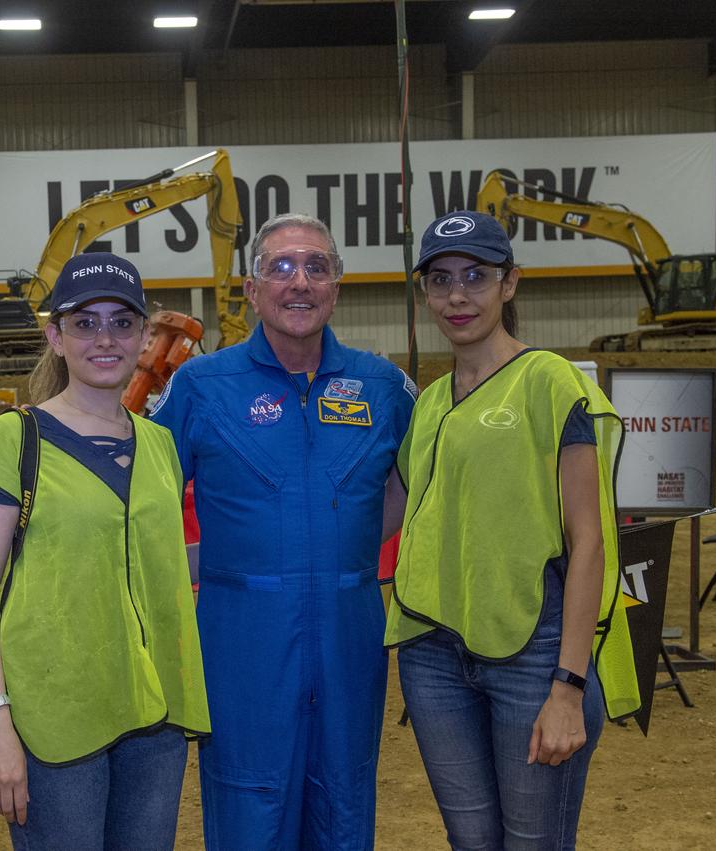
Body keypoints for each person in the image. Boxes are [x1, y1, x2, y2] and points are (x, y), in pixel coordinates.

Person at [150, 212, 416, 850]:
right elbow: (145, 502)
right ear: (251, 287)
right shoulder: (200, 386)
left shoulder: (383, 388)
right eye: (282, 267)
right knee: (249, 801)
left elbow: (415, 484)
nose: (300, 282)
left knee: (345, 801)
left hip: (350, 635)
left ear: (337, 285)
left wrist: (343, 546)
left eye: (317, 267)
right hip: (242, 643)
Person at [385, 211, 640, 849]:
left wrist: (568, 687)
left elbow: (590, 545)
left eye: (476, 276)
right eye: (440, 280)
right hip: (435, 656)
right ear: (424, 295)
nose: (457, 296)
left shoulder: (551, 383)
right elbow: (393, 515)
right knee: (471, 841)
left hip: (537, 656)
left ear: (510, 283)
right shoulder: (432, 402)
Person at [0, 252, 209, 850]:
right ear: (55, 337)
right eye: (84, 322)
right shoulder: (10, 443)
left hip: (153, 716)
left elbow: (150, 565)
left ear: (146, 337)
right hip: (54, 723)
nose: (105, 338)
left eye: (122, 322)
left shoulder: (161, 446)